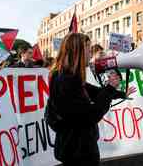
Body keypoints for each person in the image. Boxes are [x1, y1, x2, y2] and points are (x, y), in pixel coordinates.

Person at [46, 33, 135, 166]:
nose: (90, 52)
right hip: (79, 150)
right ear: (78, 51)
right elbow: (90, 116)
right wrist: (110, 88)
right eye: (87, 48)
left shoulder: (66, 75)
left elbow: (94, 92)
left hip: (74, 146)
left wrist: (120, 93)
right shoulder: (67, 80)